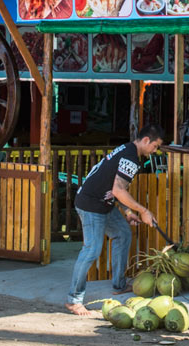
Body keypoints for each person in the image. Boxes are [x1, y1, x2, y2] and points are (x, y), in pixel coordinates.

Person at [66, 124, 164, 316]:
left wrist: (128, 211)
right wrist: (143, 211)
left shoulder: (127, 150)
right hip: (91, 204)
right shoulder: (131, 157)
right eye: (155, 146)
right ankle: (74, 300)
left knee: (122, 233)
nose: (155, 151)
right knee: (91, 250)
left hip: (104, 204)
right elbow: (119, 190)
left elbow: (114, 188)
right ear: (146, 140)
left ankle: (119, 284)